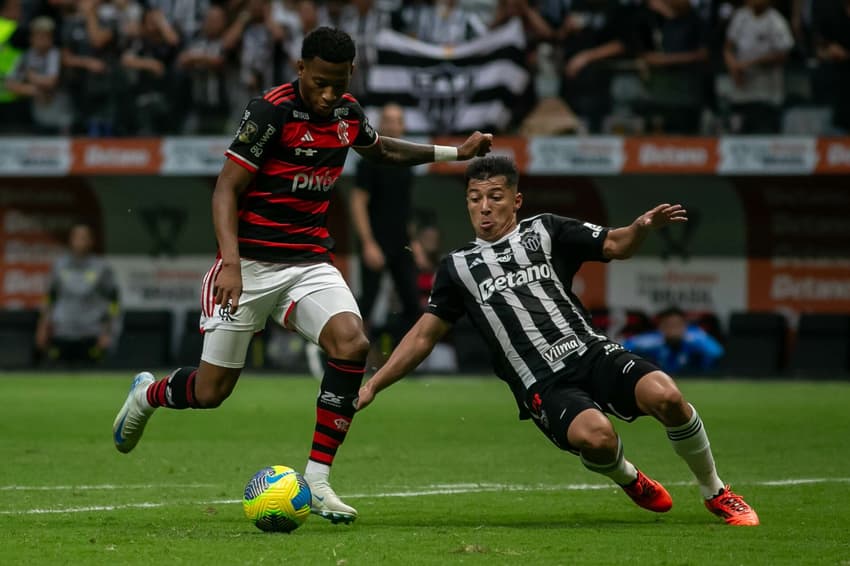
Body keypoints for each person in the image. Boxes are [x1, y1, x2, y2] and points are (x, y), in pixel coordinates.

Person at [112, 26, 492, 525]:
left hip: (308, 264)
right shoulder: (270, 112)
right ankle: (147, 394)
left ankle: (317, 479)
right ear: (299, 70)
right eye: (319, 82)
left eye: (338, 82)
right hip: (246, 266)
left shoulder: (347, 114)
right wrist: (229, 262)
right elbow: (225, 190)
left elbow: (381, 151)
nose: (328, 93)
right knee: (211, 393)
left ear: (351, 74)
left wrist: (453, 154)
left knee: (352, 344)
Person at [357, 156, 759, 527]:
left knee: (668, 396)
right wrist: (374, 383)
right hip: (543, 384)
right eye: (474, 198)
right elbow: (423, 336)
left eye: (494, 197)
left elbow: (615, 244)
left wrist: (640, 228)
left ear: (515, 201)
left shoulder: (546, 229)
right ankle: (629, 477)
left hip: (591, 352)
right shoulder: (457, 267)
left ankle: (716, 492)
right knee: (598, 438)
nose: (484, 207)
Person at [349, 102, 420, 344]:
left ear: (403, 126)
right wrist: (368, 244)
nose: (391, 124)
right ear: (380, 125)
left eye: (396, 120)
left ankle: (397, 358)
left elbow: (405, 207)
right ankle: (332, 351)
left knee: (412, 303)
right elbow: (357, 203)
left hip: (401, 243)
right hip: (376, 241)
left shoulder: (406, 161)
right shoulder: (369, 160)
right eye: (387, 120)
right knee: (366, 303)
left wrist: (415, 242)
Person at [36, 222, 120, 367]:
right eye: (77, 237)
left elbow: (114, 301)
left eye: (84, 237)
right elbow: (50, 297)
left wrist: (109, 332)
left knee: (92, 381)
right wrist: (42, 327)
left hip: (91, 333)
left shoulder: (101, 268)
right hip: (62, 332)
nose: (80, 241)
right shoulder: (59, 266)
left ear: (91, 241)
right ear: (70, 240)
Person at [723, 0, 794, 134]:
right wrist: (733, 67)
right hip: (741, 93)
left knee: (764, 137)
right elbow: (728, 47)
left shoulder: (776, 21)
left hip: (767, 96)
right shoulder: (740, 16)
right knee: (737, 137)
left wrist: (750, 64)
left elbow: (783, 55)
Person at [623, 306, 724, 374]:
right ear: (661, 327)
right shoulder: (653, 341)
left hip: (695, 379)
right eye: (669, 325)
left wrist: (689, 339)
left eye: (677, 325)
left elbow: (716, 352)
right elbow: (625, 348)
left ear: (685, 326)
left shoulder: (695, 337)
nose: (673, 329)